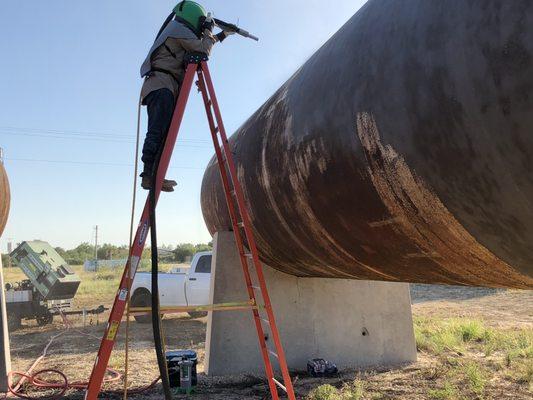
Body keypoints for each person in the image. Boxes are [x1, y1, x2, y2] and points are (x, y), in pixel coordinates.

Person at [139, 1, 234, 191]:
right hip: (162, 85)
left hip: (163, 85)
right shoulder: (178, 29)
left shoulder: (176, 30)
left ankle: (154, 175)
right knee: (158, 131)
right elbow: (202, 50)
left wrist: (222, 35)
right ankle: (149, 174)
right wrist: (209, 30)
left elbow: (199, 46)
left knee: (163, 133)